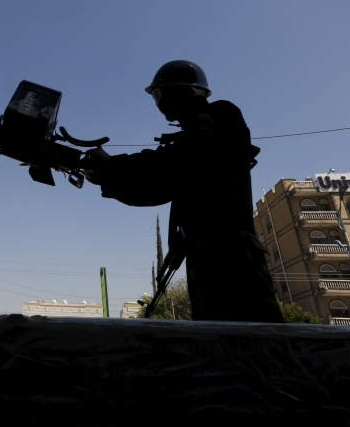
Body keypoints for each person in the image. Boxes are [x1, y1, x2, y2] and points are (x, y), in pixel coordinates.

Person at [84, 60, 283, 323]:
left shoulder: (221, 116)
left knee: (255, 344)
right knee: (220, 343)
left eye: (160, 94)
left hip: (232, 257)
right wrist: (106, 180)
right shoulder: (196, 141)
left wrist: (113, 165)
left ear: (182, 92)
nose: (159, 102)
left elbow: (171, 165)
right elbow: (156, 189)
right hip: (209, 258)